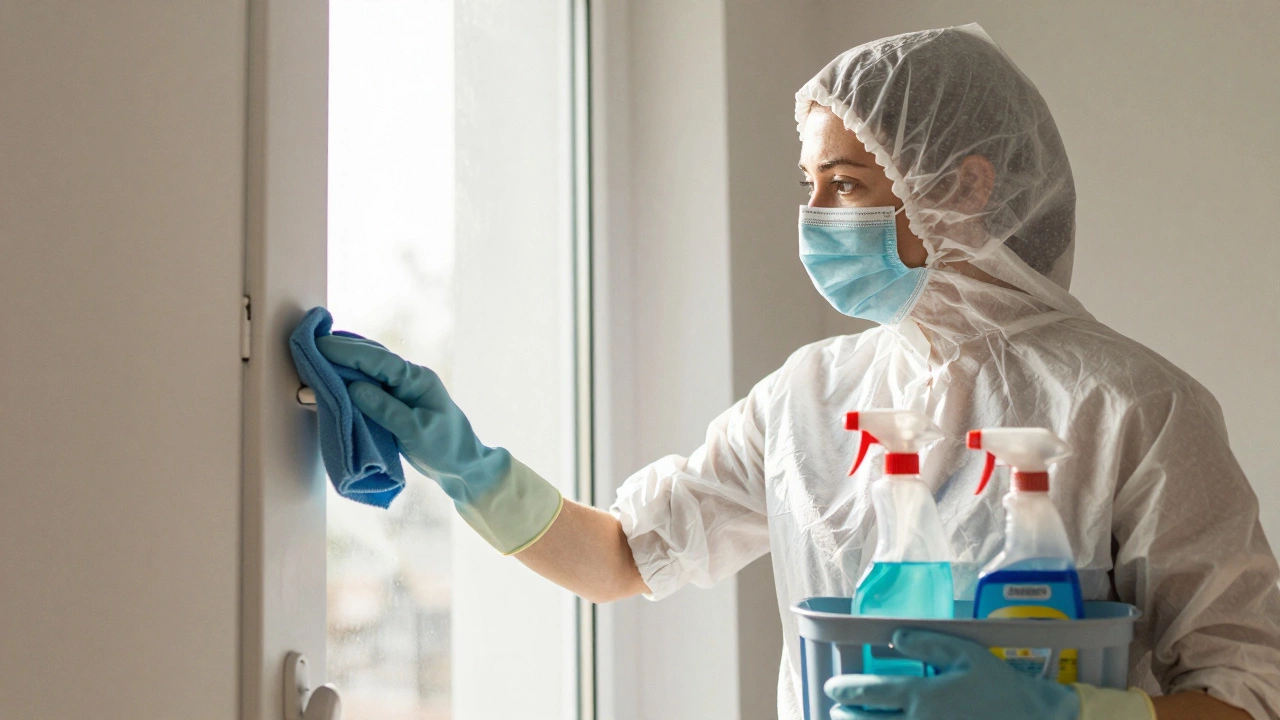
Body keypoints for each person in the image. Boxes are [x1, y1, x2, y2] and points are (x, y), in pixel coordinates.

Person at [317, 23, 1280, 720]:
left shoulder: (1133, 409)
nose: (816, 214)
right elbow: (622, 557)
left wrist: (1068, 717)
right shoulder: (809, 398)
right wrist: (466, 466)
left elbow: (1248, 692)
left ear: (961, 184)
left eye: (848, 184)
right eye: (809, 185)